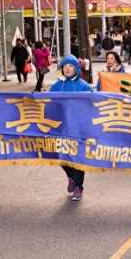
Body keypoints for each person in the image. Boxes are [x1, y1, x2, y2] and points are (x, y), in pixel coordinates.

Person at [49, 55, 92, 201]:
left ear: (76, 68)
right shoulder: (56, 86)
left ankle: (78, 187)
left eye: (70, 66)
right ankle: (71, 177)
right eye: (64, 66)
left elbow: (91, 106)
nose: (67, 68)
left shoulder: (84, 86)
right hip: (60, 128)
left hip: (79, 129)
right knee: (61, 157)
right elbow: (47, 103)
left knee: (77, 157)